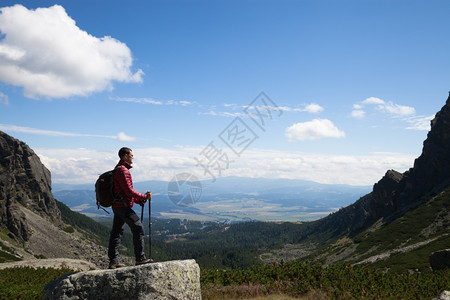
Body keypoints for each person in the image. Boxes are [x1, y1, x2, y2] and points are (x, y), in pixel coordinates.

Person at [108, 147, 152, 269]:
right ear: (125, 156)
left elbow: (123, 192)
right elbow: (128, 191)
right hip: (123, 207)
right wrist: (144, 197)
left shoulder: (118, 169)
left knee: (116, 232)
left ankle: (113, 261)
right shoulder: (123, 171)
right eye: (132, 155)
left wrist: (139, 201)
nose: (133, 158)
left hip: (117, 205)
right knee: (138, 227)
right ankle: (140, 258)